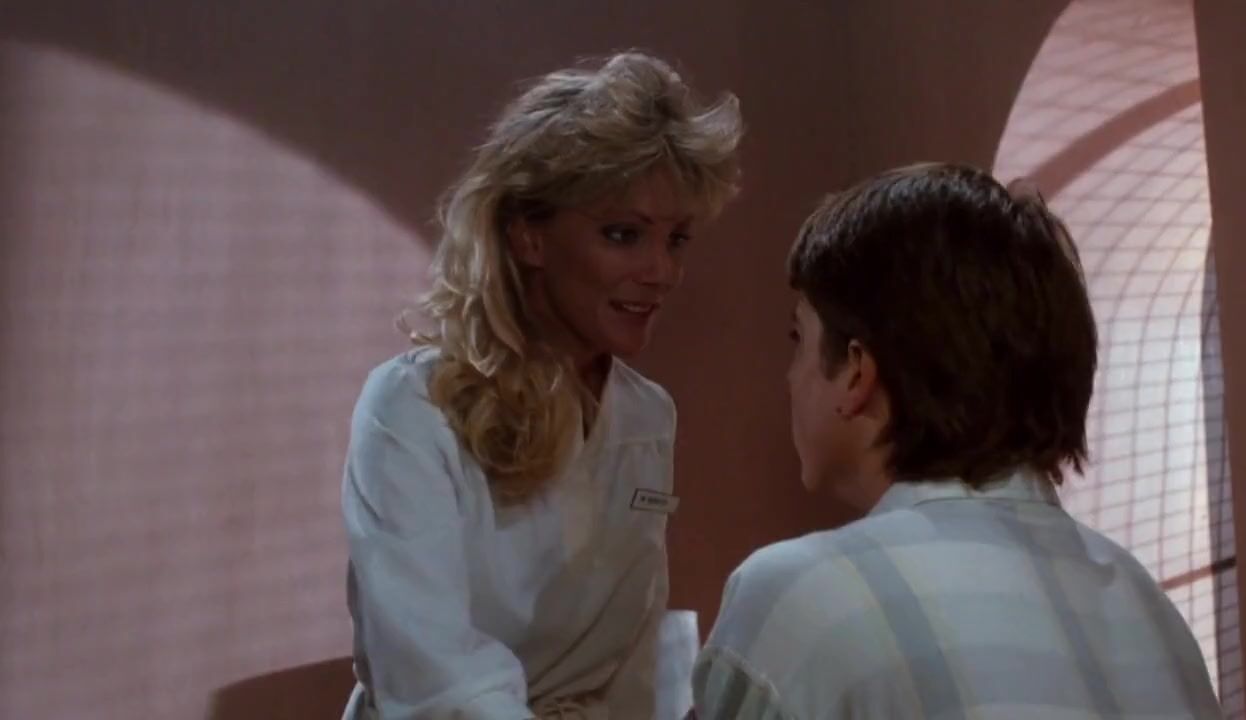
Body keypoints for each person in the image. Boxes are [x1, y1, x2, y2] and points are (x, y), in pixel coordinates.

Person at [691, 163, 1222, 719]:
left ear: (856, 372)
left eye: (798, 337)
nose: (788, 376)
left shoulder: (798, 595)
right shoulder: (1148, 607)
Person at [340, 51, 743, 720]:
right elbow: (436, 677)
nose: (661, 272)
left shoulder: (647, 413)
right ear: (528, 235)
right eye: (623, 235)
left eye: (677, 240)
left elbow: (634, 654)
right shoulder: (412, 409)